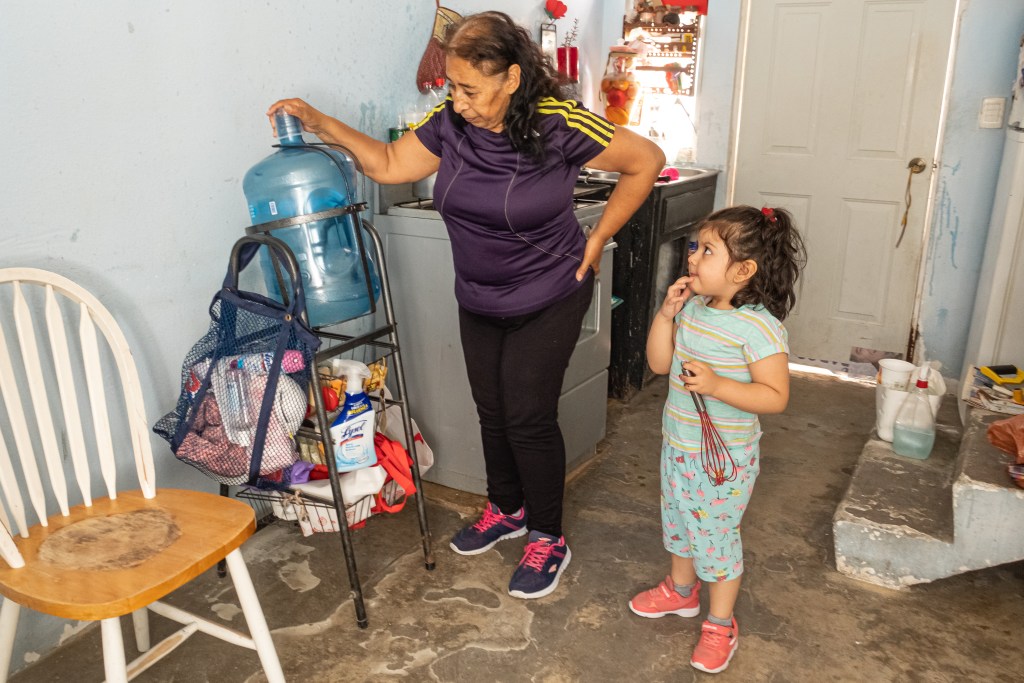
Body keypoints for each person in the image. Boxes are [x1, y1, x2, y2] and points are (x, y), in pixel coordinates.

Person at [267, 11, 665, 599]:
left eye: (470, 88)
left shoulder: (558, 124)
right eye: (453, 86)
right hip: (479, 294)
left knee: (528, 415)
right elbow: (389, 163)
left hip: (550, 290)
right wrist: (322, 122)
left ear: (510, 78)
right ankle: (505, 509)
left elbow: (646, 161)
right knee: (491, 408)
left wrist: (599, 235)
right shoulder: (451, 122)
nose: (459, 100)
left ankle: (548, 535)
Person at [629, 205, 805, 673]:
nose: (692, 258)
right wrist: (666, 315)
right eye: (695, 247)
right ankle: (681, 593)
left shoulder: (760, 328)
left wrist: (718, 386)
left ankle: (720, 623)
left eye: (707, 250)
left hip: (722, 460)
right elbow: (660, 365)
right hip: (678, 446)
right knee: (681, 525)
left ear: (742, 270)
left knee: (716, 538)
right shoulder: (692, 308)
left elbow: (775, 396)